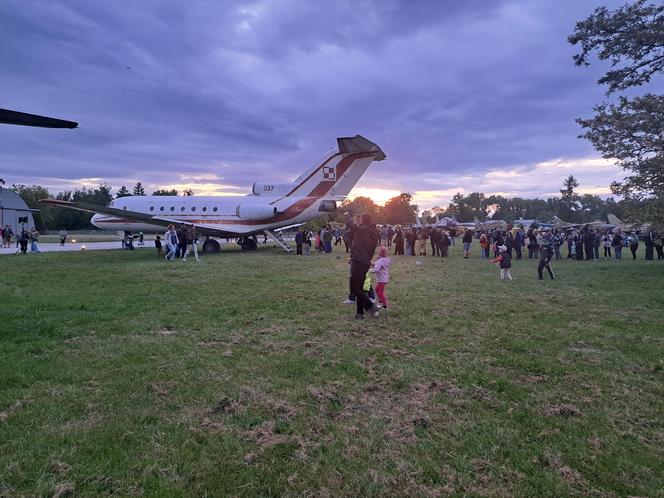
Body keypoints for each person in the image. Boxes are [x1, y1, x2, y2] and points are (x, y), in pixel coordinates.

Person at [346, 212, 379, 320]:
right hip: (365, 262)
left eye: (360, 219)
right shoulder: (373, 231)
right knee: (359, 288)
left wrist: (348, 215)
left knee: (354, 288)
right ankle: (359, 314)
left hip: (359, 261)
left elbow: (351, 225)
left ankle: (371, 305)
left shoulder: (363, 230)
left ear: (363, 221)